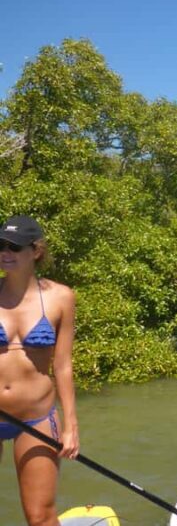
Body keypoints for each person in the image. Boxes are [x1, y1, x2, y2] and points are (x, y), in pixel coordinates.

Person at [0, 215, 79, 526]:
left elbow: (62, 365)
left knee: (40, 516)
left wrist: (71, 426)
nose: (6, 253)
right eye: (1, 245)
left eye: (14, 247)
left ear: (35, 251)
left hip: (37, 417)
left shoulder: (61, 297)